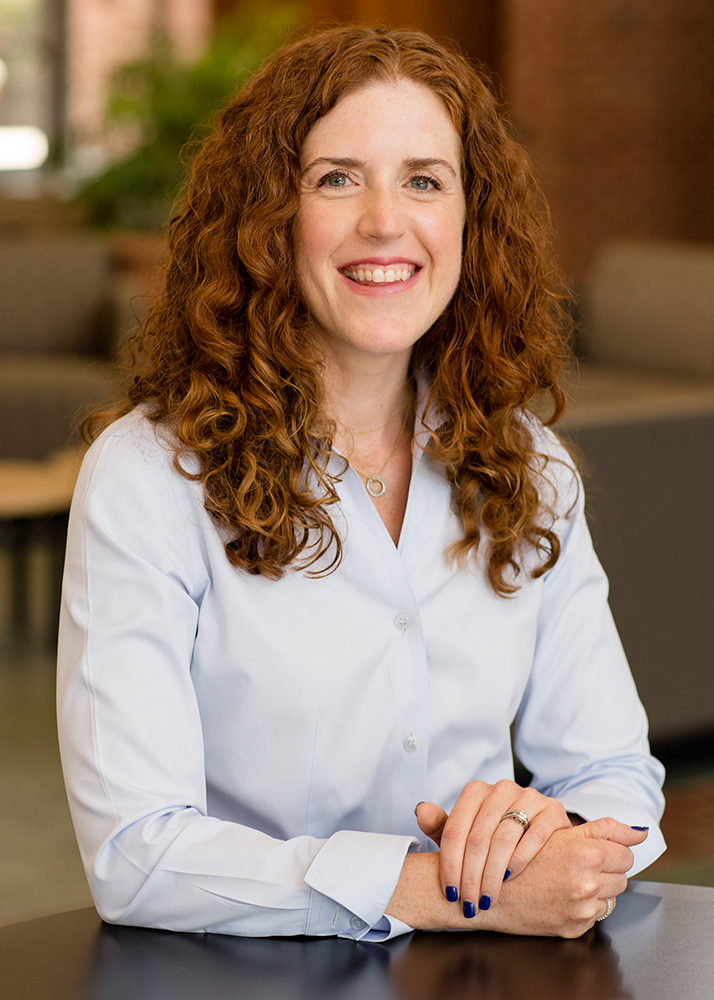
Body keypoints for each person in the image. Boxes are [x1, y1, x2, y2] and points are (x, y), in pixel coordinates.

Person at [57, 25, 665, 942]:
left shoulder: (528, 466)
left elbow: (615, 770)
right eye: (336, 178)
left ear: (470, 221)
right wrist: (447, 891)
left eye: (425, 179)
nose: (387, 222)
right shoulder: (149, 479)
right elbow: (138, 856)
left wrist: (560, 836)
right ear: (266, 219)